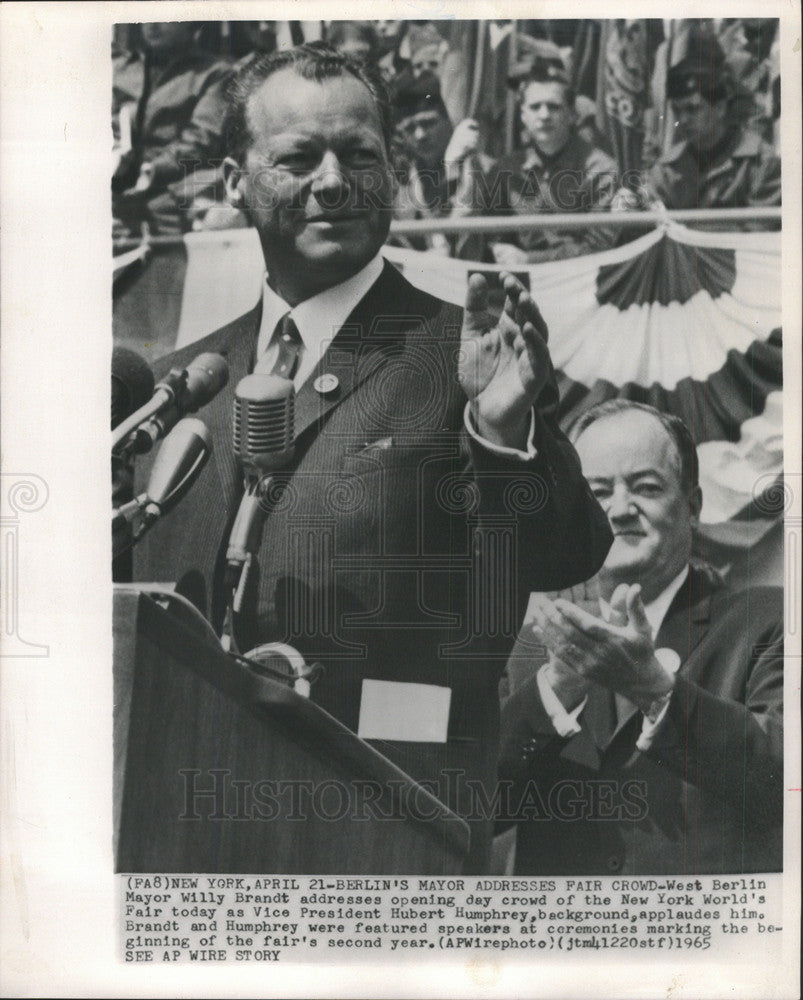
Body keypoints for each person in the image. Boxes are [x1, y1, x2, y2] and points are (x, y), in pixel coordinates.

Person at [130, 44, 612, 873]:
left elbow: (566, 551)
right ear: (233, 180)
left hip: (383, 824)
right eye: (297, 157)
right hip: (182, 823)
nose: (332, 181)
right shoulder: (190, 383)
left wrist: (501, 439)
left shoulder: (463, 356)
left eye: (360, 155)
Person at [498, 400, 783, 874]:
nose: (620, 509)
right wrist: (557, 691)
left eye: (646, 488)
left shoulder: (768, 621)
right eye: (597, 491)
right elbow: (474, 809)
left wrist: (657, 691)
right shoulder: (532, 650)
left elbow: (787, 782)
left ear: (692, 507)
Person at [618, 30, 781, 216]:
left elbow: (758, 234)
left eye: (693, 109)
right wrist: (632, 206)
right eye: (677, 111)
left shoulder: (760, 163)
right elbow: (645, 219)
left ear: (720, 108)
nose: (683, 120)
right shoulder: (669, 169)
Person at [477, 63, 620, 265]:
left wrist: (531, 259)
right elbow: (492, 235)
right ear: (523, 116)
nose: (544, 115)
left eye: (554, 107)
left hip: (583, 284)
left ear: (572, 114)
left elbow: (601, 247)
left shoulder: (602, 170)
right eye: (535, 107)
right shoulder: (506, 170)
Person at [112, 21, 231, 236]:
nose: (153, 24)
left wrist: (153, 170)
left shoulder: (213, 74)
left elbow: (201, 140)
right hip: (114, 196)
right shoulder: (119, 69)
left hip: (174, 199)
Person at [391, 71, 492, 256]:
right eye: (410, 128)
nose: (420, 135)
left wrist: (452, 169)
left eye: (428, 123)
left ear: (448, 121)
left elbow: (463, 239)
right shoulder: (401, 184)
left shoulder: (484, 169)